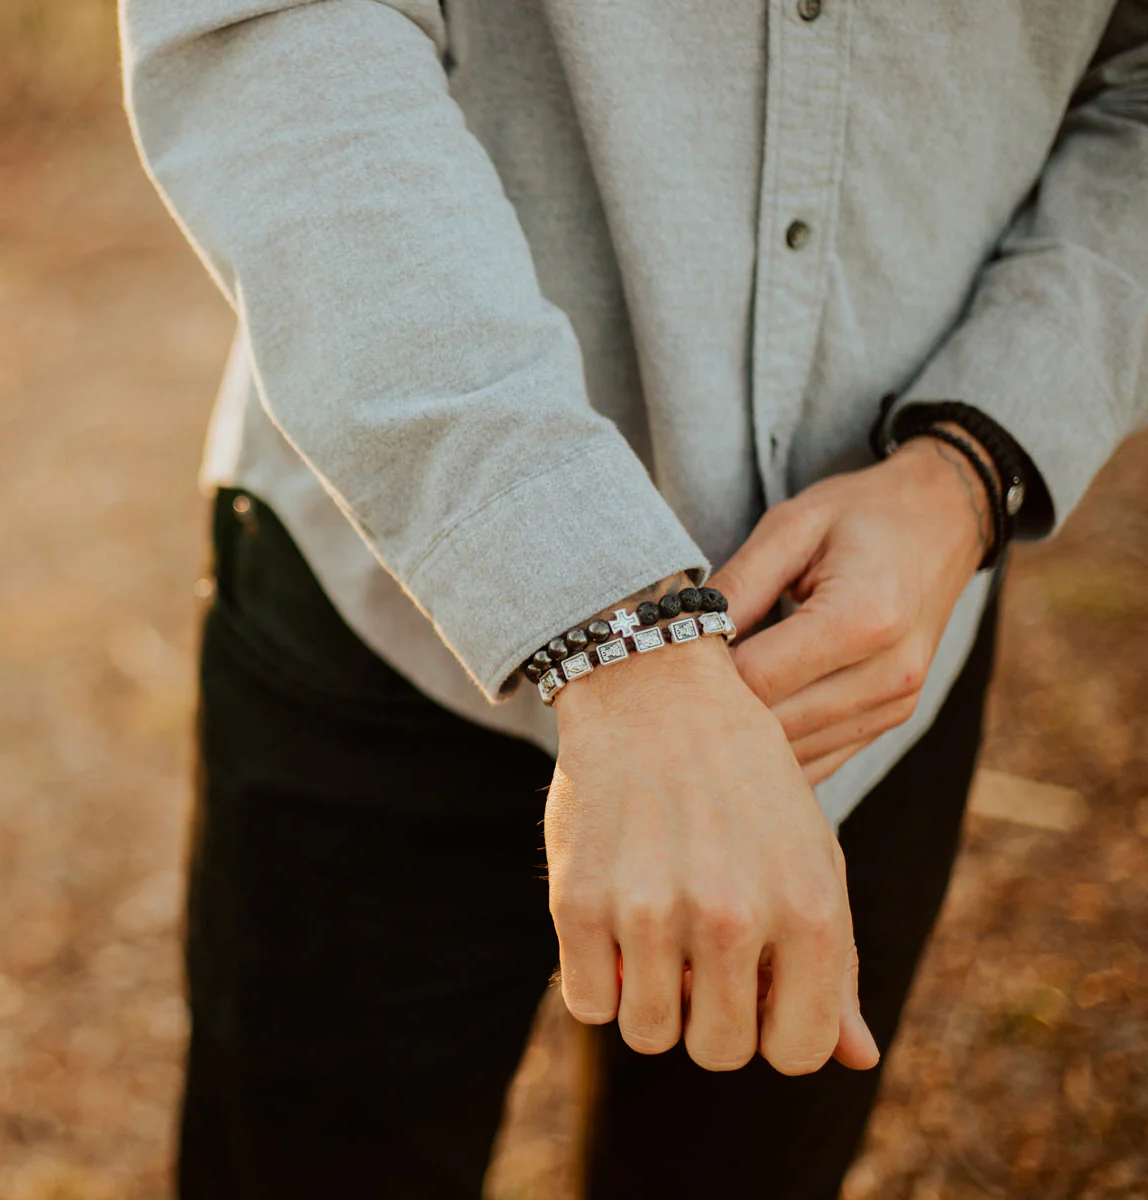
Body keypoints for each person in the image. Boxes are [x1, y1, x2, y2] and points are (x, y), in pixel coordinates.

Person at [119, 2, 1148, 1195]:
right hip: (385, 613)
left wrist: (975, 463)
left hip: (862, 667)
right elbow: (273, 28)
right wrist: (607, 621)